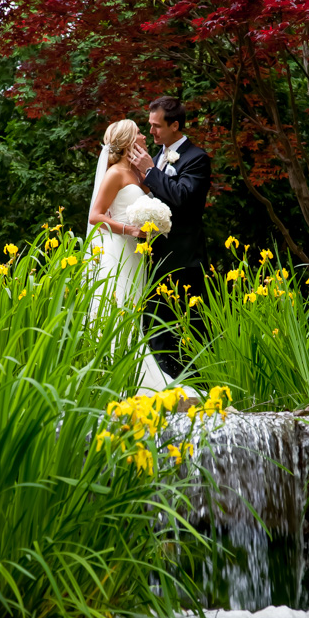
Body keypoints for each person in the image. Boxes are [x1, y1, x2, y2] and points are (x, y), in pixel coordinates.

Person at [87, 118, 195, 396]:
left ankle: (128, 376)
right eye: (139, 134)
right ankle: (123, 382)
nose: (145, 137)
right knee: (118, 310)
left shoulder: (136, 174)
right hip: (118, 250)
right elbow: (95, 216)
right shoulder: (115, 174)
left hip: (137, 255)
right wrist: (131, 229)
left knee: (133, 313)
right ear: (127, 143)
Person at [130, 96, 211, 376]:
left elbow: (183, 198)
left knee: (189, 333)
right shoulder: (155, 158)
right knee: (155, 331)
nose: (151, 131)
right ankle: (165, 390)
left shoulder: (196, 158)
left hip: (184, 261)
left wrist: (149, 172)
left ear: (175, 125)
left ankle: (196, 392)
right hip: (155, 261)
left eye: (157, 126)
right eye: (149, 125)